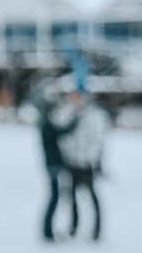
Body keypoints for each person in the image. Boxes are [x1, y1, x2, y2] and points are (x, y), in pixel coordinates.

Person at [57, 90, 110, 242]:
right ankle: (73, 227)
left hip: (86, 164)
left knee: (92, 197)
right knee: (72, 197)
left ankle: (97, 230)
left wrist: (91, 159)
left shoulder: (94, 116)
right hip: (72, 163)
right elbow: (64, 137)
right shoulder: (68, 113)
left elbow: (98, 140)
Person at [36, 88, 78, 242]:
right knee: (54, 198)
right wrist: (75, 121)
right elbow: (63, 132)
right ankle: (47, 232)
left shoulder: (45, 124)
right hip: (53, 166)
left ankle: (48, 231)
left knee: (55, 197)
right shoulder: (47, 125)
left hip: (53, 165)